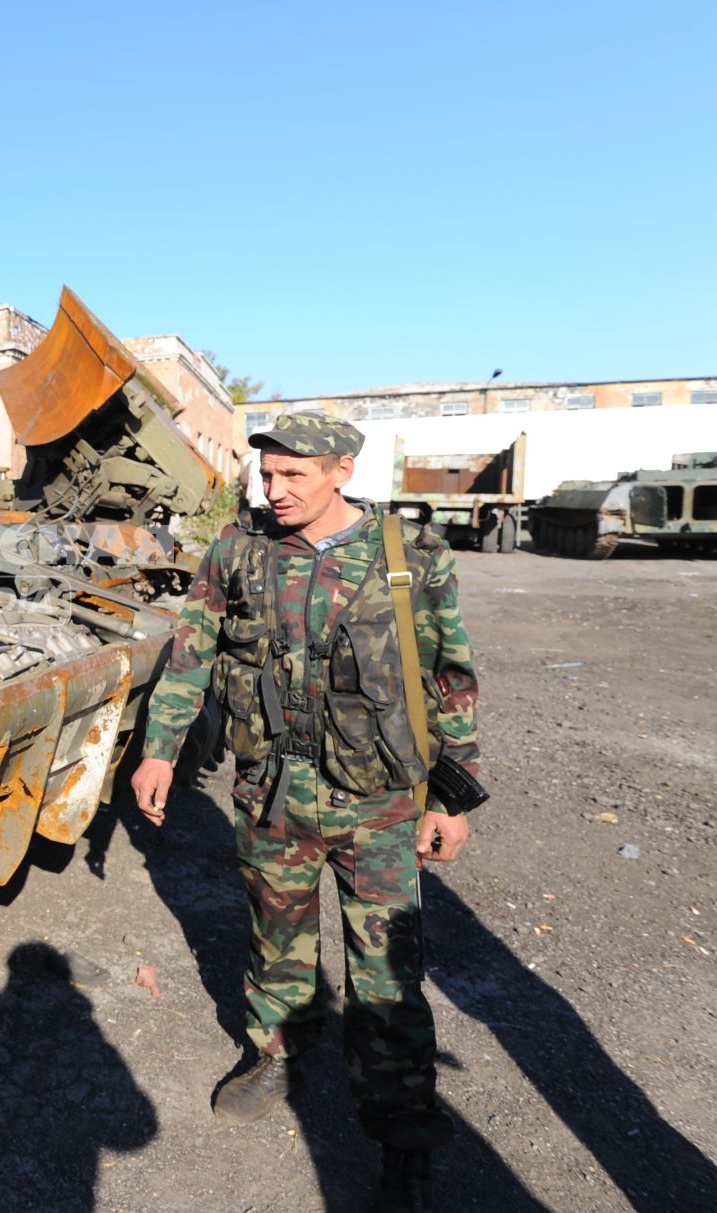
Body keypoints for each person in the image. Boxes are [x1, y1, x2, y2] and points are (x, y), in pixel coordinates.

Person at [130, 412, 483, 1212]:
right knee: (275, 940)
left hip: (381, 801)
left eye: (294, 475)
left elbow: (451, 673)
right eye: (268, 474)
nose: (274, 489)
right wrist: (160, 746)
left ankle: (401, 1132)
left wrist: (453, 798)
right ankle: (277, 1053)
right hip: (273, 793)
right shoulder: (240, 549)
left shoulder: (409, 555)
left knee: (386, 969)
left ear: (341, 471)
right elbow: (193, 646)